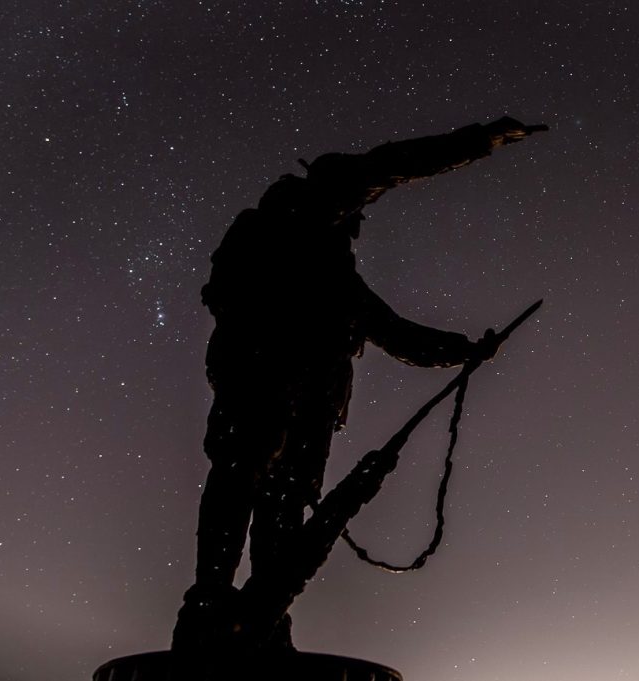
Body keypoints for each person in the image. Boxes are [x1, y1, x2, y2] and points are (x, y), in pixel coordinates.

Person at [172, 117, 545, 659]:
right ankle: (210, 604)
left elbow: (391, 331)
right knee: (242, 479)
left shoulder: (334, 275)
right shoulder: (288, 229)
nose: (354, 221)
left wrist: (462, 351)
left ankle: (262, 616)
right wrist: (479, 141)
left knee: (282, 507)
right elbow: (388, 167)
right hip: (261, 381)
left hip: (310, 404)